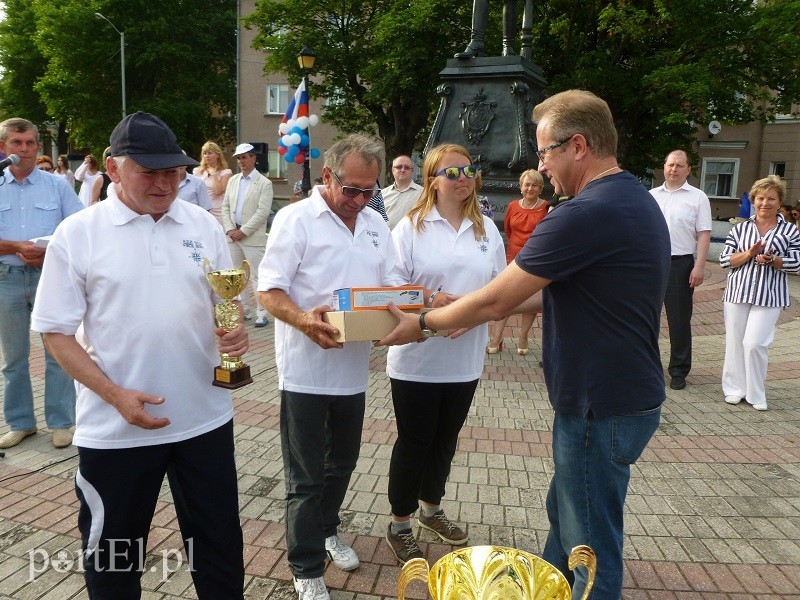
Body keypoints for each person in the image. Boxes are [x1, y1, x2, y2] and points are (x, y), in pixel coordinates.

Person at [377, 90, 670, 600]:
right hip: (622, 397)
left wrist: (426, 320)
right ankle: (545, 588)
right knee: (568, 516)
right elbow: (538, 299)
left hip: (596, 404)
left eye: (544, 152)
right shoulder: (634, 198)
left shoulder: (583, 213)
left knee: (592, 545)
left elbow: (495, 303)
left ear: (577, 145)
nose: (539, 166)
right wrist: (461, 309)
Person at [30, 112, 248, 598]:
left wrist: (233, 337)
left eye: (174, 170)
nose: (166, 182)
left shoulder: (202, 224)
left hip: (204, 420)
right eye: (149, 170)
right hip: (116, 430)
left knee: (218, 552)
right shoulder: (78, 234)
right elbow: (56, 333)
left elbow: (224, 302)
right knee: (114, 561)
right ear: (112, 167)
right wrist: (115, 395)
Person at [258, 134, 403, 600]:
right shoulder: (295, 219)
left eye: (370, 191)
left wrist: (396, 313)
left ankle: (325, 530)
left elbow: (389, 285)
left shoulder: (377, 223)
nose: (360, 201)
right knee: (305, 476)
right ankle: (305, 567)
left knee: (342, 463)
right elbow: (268, 290)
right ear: (327, 176)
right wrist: (304, 320)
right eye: (352, 190)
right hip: (304, 369)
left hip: (353, 370)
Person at [384, 144, 504, 564]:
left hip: (465, 359)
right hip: (417, 361)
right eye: (452, 173)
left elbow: (500, 289)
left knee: (446, 441)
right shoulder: (409, 228)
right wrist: (435, 299)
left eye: (469, 170)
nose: (464, 178)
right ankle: (400, 522)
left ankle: (431, 510)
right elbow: (391, 289)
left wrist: (476, 316)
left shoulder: (487, 230)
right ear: (432, 180)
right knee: (415, 442)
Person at [0, 118, 83, 450]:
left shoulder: (57, 185)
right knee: (13, 357)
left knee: (58, 351)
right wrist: (18, 247)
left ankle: (61, 422)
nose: (25, 149)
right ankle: (20, 423)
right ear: (5, 147)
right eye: (17, 143)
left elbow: (76, 229)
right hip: (6, 279)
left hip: (50, 276)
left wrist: (47, 252)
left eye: (31, 143)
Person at [719, 175, 800, 411]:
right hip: (737, 292)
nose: (765, 203)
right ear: (753, 200)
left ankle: (756, 393)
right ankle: (734, 389)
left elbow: (797, 262)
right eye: (761, 198)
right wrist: (749, 253)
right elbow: (725, 260)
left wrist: (774, 260)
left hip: (770, 295)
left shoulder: (790, 231)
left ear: (779, 202)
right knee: (735, 343)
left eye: (771, 199)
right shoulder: (740, 228)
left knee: (755, 344)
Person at [649, 150, 712, 390]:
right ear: (664, 167)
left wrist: (699, 266)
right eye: (670, 165)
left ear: (688, 170)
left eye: (679, 165)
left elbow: (704, 233)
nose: (673, 169)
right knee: (647, 318)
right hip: (652, 263)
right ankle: (649, 366)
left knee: (679, 320)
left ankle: (678, 370)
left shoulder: (698, 197)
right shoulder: (651, 195)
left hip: (680, 264)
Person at [487, 168, 548, 354]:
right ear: (521, 187)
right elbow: (508, 229)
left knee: (529, 298)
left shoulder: (546, 206)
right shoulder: (513, 206)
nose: (530, 188)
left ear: (540, 188)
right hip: (513, 257)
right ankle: (497, 338)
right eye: (526, 184)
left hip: (535, 259)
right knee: (505, 297)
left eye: (534, 185)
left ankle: (523, 336)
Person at [223, 143, 274, 327]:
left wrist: (242, 231)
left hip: (251, 238)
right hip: (232, 236)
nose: (241, 161)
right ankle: (242, 309)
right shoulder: (233, 180)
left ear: (253, 158)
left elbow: (263, 212)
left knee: (257, 276)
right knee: (237, 275)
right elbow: (226, 206)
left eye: (244, 157)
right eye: (238, 158)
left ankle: (262, 313)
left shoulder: (264, 183)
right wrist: (230, 229)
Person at [193, 140, 232, 227]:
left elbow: (218, 191)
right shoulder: (197, 171)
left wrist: (214, 174)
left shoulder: (225, 172)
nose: (207, 156)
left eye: (210, 153)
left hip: (218, 212)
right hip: (201, 210)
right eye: (204, 153)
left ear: (217, 155)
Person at [382, 155, 422, 229]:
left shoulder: (423, 194)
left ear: (412, 171)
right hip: (385, 238)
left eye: (406, 167)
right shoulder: (382, 194)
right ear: (392, 170)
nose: (402, 170)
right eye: (399, 167)